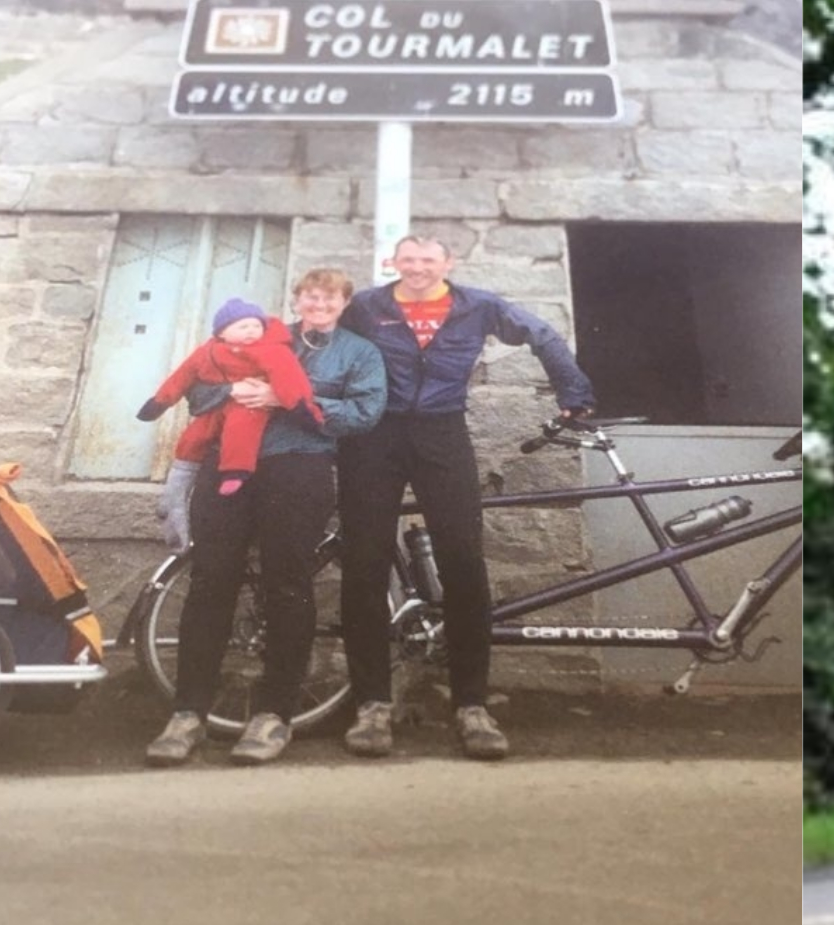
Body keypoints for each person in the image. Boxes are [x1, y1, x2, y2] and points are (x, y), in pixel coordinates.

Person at [334, 234, 596, 762]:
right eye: (408, 260)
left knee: (464, 562)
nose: (418, 269)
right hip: (373, 436)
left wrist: (574, 393)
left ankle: (472, 705)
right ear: (394, 263)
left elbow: (541, 334)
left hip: (442, 433)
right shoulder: (367, 305)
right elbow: (321, 344)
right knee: (363, 565)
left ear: (448, 264)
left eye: (428, 260)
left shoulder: (478, 305)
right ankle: (372, 705)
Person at [145, 270, 387, 767]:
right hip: (226, 468)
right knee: (211, 580)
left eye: (330, 298)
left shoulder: (359, 353)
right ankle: (188, 713)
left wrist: (290, 401)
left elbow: (366, 413)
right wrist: (231, 392)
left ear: (345, 303)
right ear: (295, 300)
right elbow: (196, 392)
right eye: (309, 296)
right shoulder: (252, 334)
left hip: (300, 468)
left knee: (287, 584)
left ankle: (273, 713)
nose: (319, 305)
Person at [137, 298, 323, 497]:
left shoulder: (271, 349)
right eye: (243, 326)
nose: (251, 330)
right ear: (222, 333)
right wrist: (160, 402)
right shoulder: (207, 351)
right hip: (219, 402)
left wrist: (300, 406)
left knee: (241, 428)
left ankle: (236, 471)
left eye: (256, 326)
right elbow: (183, 375)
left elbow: (290, 377)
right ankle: (181, 476)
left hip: (249, 402)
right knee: (195, 436)